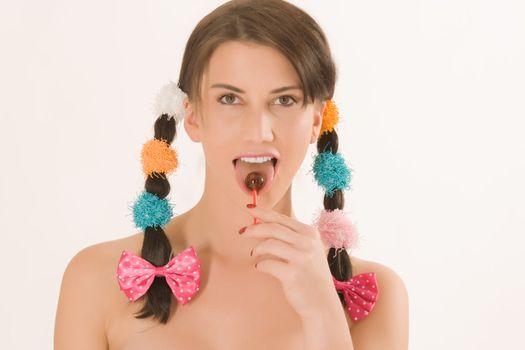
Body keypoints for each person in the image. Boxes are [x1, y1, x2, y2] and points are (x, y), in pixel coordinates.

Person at [54, 1, 409, 349]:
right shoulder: (95, 280)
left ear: (316, 119)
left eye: (284, 100)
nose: (258, 131)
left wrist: (324, 315)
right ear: (191, 115)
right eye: (229, 99)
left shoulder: (377, 296)